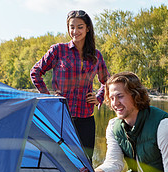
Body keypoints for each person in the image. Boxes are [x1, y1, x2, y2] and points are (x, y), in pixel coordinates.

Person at [30, 10, 109, 162]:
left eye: (80, 27)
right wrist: (48, 97)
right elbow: (36, 72)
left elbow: (107, 81)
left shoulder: (96, 55)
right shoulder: (58, 50)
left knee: (86, 162)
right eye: (71, 27)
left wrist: (98, 97)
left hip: (86, 119)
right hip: (61, 117)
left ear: (87, 28)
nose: (75, 31)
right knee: (59, 161)